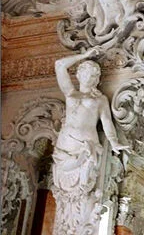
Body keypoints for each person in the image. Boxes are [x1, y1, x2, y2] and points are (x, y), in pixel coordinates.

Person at [53, 48, 130, 193]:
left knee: (85, 185)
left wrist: (113, 141)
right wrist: (84, 55)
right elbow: (59, 65)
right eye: (88, 73)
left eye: (95, 75)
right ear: (79, 75)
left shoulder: (100, 100)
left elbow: (107, 121)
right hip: (65, 142)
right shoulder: (70, 93)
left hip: (85, 144)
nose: (91, 78)